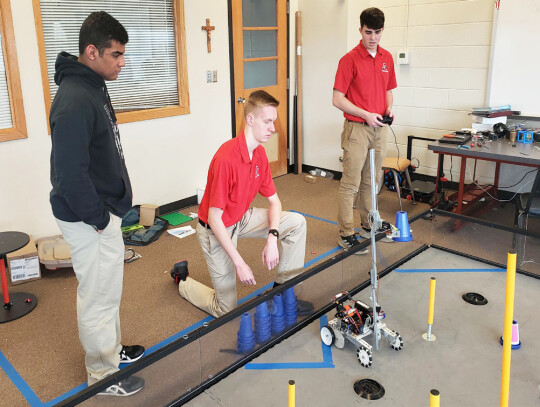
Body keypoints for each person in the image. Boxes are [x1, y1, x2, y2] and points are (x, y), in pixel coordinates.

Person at [49, 11, 144, 397]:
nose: (123, 62)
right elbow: (69, 177)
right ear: (92, 52)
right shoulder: (73, 100)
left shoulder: (92, 84)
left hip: (104, 213)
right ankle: (102, 377)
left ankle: (112, 352)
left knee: (108, 292)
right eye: (117, 55)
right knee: (98, 299)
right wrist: (100, 220)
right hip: (91, 219)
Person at [171, 90, 311, 318]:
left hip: (241, 217)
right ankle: (181, 280)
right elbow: (215, 220)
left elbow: (274, 202)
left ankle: (284, 294)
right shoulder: (225, 159)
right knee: (226, 309)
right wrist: (240, 263)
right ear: (250, 119)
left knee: (296, 222)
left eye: (273, 122)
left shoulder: (260, 154)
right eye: (267, 122)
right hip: (216, 229)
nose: (272, 128)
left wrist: (273, 237)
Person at [332, 7, 397, 250]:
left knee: (372, 179)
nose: (372, 37)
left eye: (377, 32)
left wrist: (388, 108)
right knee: (351, 182)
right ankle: (346, 232)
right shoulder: (349, 60)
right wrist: (365, 114)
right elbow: (338, 99)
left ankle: (369, 221)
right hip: (357, 128)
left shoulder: (386, 58)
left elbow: (388, 89)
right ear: (360, 30)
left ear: (382, 31)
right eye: (368, 32)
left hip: (380, 128)